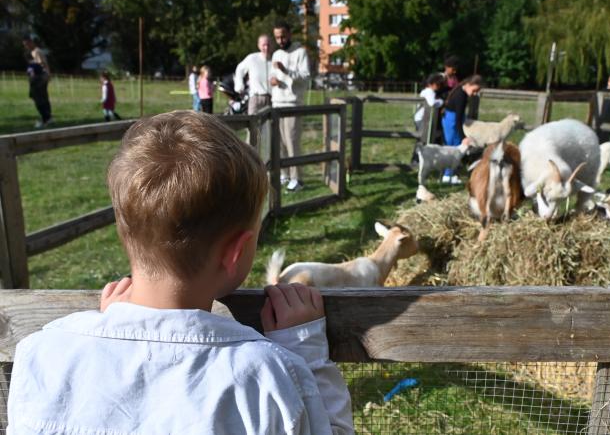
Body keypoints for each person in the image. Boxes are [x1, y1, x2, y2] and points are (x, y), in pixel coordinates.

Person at [6, 111, 354, 434]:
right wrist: (305, 352)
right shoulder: (268, 378)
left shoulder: (42, 355)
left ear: (122, 233)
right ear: (235, 252)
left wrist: (115, 327)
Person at [270, 21, 310, 192]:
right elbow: (273, 75)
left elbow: (306, 76)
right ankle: (285, 174)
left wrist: (286, 71)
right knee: (280, 143)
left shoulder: (301, 52)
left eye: (283, 36)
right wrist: (273, 80)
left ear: (290, 34)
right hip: (277, 103)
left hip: (292, 104)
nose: (280, 40)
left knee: (292, 142)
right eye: (277, 37)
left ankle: (297, 179)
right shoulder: (276, 53)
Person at [440, 75, 482, 184]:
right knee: (453, 148)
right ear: (469, 85)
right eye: (474, 90)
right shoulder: (461, 96)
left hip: (452, 120)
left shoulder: (460, 90)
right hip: (453, 122)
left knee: (454, 148)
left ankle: (451, 173)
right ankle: (447, 175)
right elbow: (458, 119)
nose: (474, 94)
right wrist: (463, 136)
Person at [409, 73, 446, 165]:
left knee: (421, 138)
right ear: (431, 83)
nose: (438, 87)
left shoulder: (426, 91)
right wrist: (441, 101)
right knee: (422, 139)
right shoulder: (429, 92)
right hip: (422, 118)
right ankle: (416, 159)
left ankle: (418, 159)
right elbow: (431, 103)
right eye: (438, 85)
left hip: (421, 118)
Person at [235, 34, 273, 115]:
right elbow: (239, 69)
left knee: (270, 126)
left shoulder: (275, 59)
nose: (266, 48)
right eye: (263, 45)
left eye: (268, 45)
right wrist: (239, 86)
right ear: (259, 45)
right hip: (256, 97)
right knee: (253, 124)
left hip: (271, 98)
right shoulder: (252, 58)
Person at [23, 36, 52, 128]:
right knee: (41, 96)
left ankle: (46, 118)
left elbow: (41, 64)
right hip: (41, 77)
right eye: (25, 45)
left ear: (31, 42)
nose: (26, 46)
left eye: (27, 44)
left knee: (38, 97)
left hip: (41, 77)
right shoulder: (33, 52)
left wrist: (32, 67)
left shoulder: (36, 52)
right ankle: (47, 117)